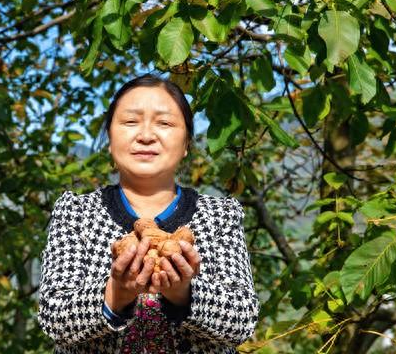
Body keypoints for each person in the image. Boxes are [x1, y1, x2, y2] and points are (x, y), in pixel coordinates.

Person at [38, 74, 259, 353]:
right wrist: (117, 292)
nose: (145, 135)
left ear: (186, 143)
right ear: (109, 138)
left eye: (164, 123)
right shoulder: (76, 214)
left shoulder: (220, 216)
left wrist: (183, 292)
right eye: (130, 122)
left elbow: (242, 321)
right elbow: (53, 319)